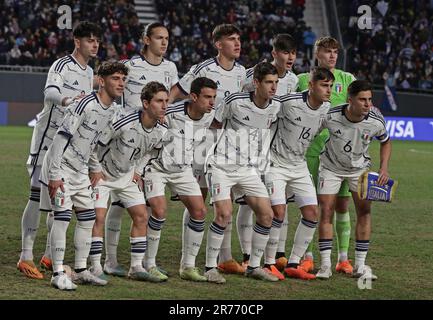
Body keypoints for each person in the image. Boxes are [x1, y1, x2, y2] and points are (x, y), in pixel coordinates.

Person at [17, 21, 102, 280]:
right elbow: (51, 92)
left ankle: (48, 255)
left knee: (59, 203)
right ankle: (25, 256)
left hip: (66, 147)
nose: (95, 44)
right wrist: (68, 100)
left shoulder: (90, 72)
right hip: (45, 141)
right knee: (35, 196)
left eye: (97, 40)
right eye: (89, 40)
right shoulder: (62, 65)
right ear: (77, 42)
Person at [39, 61, 128, 290]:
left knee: (88, 219)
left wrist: (95, 166)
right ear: (101, 80)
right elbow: (60, 138)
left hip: (80, 172)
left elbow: (92, 143)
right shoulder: (85, 105)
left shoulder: (112, 111)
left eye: (123, 79)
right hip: (62, 168)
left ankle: (80, 270)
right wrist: (55, 175)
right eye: (116, 78)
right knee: (62, 218)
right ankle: (57, 273)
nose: (121, 83)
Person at [169, 24, 247, 275]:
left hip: (228, 143)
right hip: (203, 141)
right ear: (218, 44)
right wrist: (163, 117)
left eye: (239, 39)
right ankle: (187, 256)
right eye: (231, 39)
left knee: (228, 197)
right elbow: (176, 93)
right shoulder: (204, 69)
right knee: (198, 198)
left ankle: (224, 256)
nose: (237, 43)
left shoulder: (242, 72)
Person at [104, 22, 179, 276]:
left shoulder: (170, 68)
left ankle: (145, 261)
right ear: (146, 40)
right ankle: (110, 260)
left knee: (144, 206)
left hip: (148, 143)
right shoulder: (129, 66)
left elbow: (168, 99)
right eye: (159, 37)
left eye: (167, 38)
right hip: (122, 142)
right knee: (116, 205)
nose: (164, 42)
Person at [204, 62, 280, 284]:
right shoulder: (235, 102)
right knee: (224, 214)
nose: (273, 87)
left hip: (247, 169)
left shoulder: (275, 107)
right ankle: (210, 267)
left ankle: (254, 266)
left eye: (276, 83)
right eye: (268, 82)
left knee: (267, 215)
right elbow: (214, 124)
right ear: (256, 83)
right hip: (221, 166)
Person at [88, 81, 168, 283]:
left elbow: (151, 152)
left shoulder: (162, 129)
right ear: (146, 103)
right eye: (159, 101)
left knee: (141, 216)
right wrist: (95, 169)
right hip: (103, 175)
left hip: (127, 176)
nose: (164, 105)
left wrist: (138, 171)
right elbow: (96, 143)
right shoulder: (123, 122)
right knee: (98, 217)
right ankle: (96, 266)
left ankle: (136, 266)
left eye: (166, 101)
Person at [142, 77, 217, 282]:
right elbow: (145, 121)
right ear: (193, 97)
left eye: (214, 97)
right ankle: (149, 264)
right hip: (156, 168)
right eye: (207, 97)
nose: (212, 102)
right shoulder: (170, 113)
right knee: (159, 210)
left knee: (200, 211)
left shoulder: (209, 116)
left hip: (183, 171)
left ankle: (188, 266)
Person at [315, 80, 391, 280]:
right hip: (330, 167)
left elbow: (385, 141)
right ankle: (325, 266)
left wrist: (383, 168)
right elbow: (311, 131)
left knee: (364, 211)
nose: (368, 104)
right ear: (350, 100)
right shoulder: (331, 115)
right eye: (362, 100)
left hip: (359, 170)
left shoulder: (376, 120)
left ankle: (359, 265)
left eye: (370, 99)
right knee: (326, 211)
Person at [264, 67, 334, 280]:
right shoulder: (288, 102)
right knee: (278, 212)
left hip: (298, 165)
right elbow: (266, 118)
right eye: (324, 85)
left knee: (312, 213)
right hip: (275, 163)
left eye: (330, 86)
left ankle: (294, 262)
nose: (328, 90)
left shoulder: (326, 109)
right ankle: (269, 263)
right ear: (311, 85)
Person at [238, 33, 299, 271]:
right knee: (246, 201)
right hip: (250, 147)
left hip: (277, 150)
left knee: (279, 202)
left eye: (293, 52)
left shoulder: (293, 81)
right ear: (274, 53)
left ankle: (277, 252)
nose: (290, 57)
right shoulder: (253, 75)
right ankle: (245, 253)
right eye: (285, 52)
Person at [297, 36, 356, 274]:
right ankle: (308, 256)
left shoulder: (348, 79)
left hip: (340, 156)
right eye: (327, 51)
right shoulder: (301, 80)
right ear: (316, 54)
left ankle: (343, 258)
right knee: (310, 205)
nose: (332, 56)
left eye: (335, 52)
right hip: (309, 152)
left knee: (341, 205)